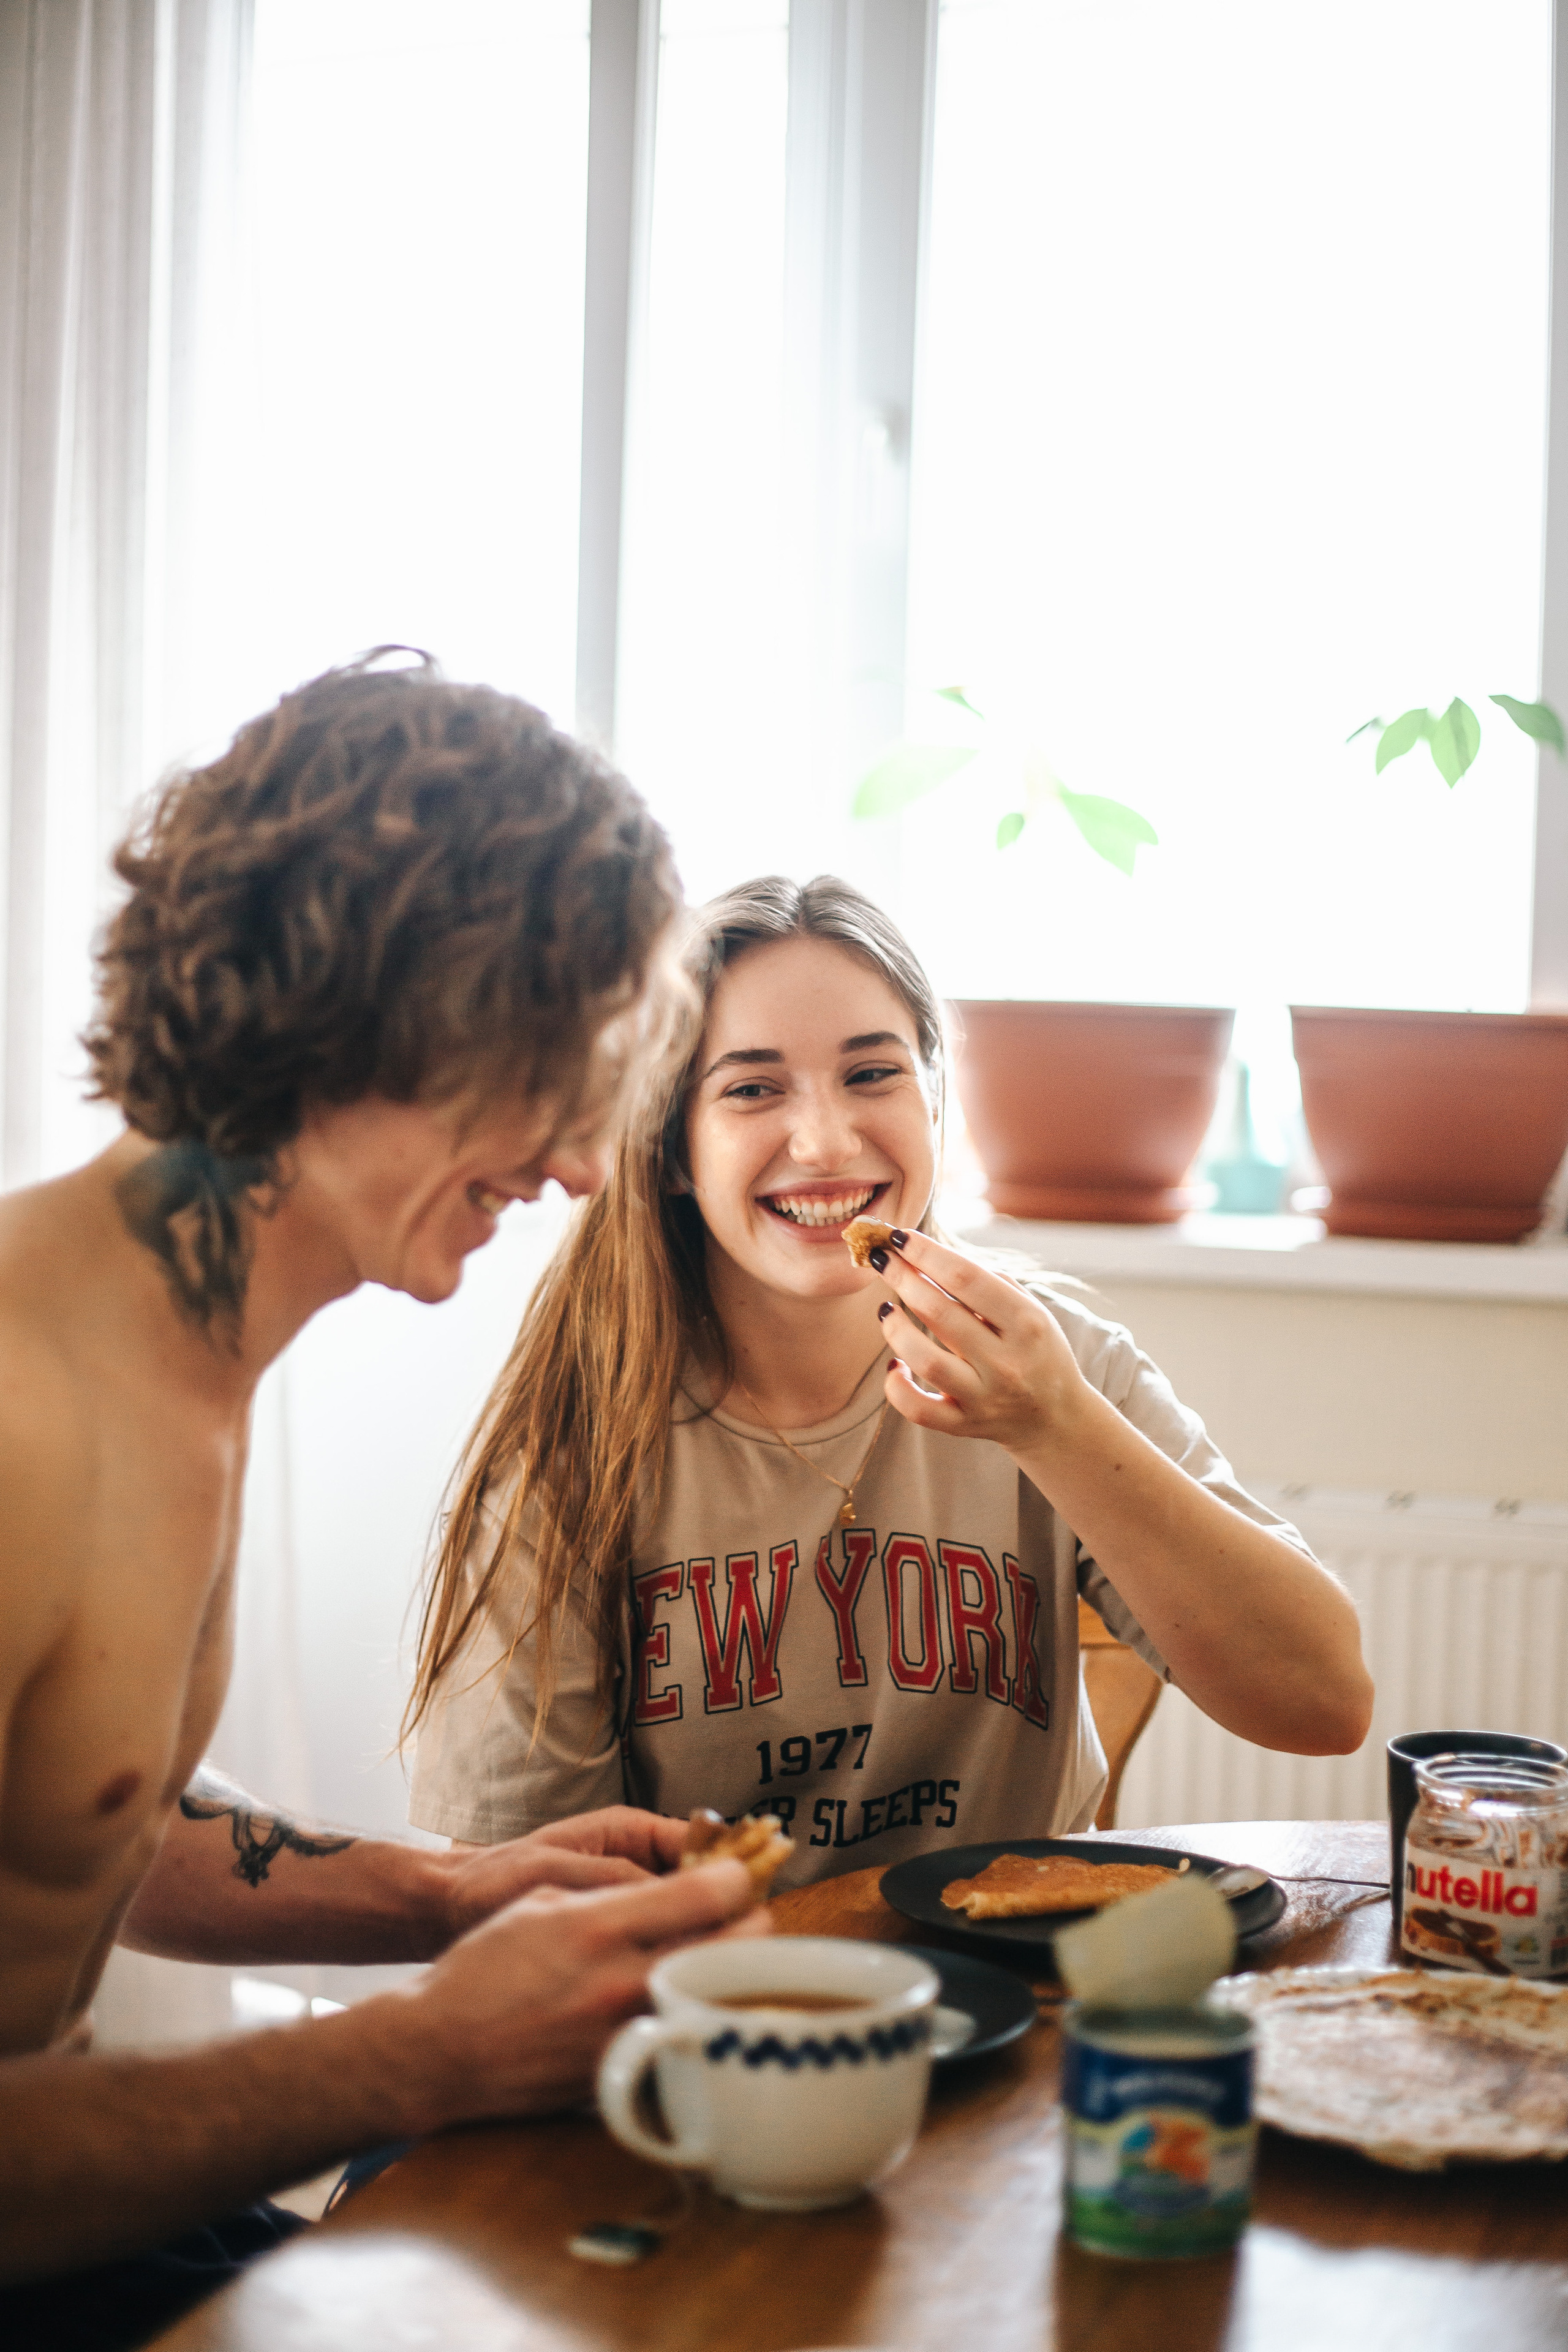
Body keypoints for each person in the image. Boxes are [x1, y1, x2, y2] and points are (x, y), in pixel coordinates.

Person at [0, 654, 761, 2339]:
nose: (574, 1166)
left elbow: (77, 1813)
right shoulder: (19, 1412)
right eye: (545, 1072)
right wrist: (424, 2049)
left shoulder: (178, 1349)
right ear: (384, 1005)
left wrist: (454, 1896)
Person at [407, 874, 1373, 1874]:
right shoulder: (571, 1448)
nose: (827, 1142)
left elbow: (1324, 1704)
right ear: (672, 1152)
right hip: (705, 2014)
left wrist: (1057, 1426)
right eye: (751, 1088)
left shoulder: (1055, 1364)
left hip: (1017, 1996)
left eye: (873, 1075)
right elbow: (514, 1897)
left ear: (932, 1098)